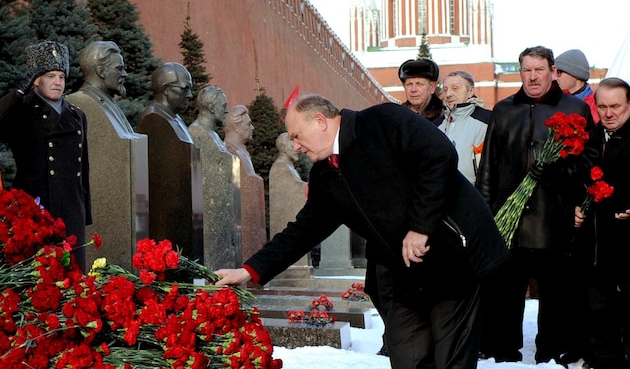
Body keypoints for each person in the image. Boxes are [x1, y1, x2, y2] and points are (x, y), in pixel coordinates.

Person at [215, 94, 508, 369]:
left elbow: (439, 155)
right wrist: (249, 271)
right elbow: (303, 230)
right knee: (409, 357)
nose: (295, 146)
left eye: (295, 135)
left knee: (450, 360)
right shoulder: (325, 174)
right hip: (403, 273)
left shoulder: (382, 120)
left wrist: (420, 227)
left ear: (320, 121)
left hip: (453, 258)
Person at [476, 45, 596, 364]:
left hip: (554, 218)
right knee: (505, 292)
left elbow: (589, 162)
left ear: (552, 71)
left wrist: (558, 171)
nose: (532, 77)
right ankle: (503, 350)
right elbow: (489, 167)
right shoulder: (503, 110)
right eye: (526, 70)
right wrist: (486, 216)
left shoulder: (575, 109)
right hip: (509, 220)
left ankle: (550, 351)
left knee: (556, 294)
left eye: (539, 70)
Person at [0, 40, 92, 269]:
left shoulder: (77, 115)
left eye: (61, 77)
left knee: (73, 278)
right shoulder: (22, 111)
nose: (58, 82)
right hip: (35, 208)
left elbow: (83, 171)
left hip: (71, 211)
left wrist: (84, 213)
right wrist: (17, 92)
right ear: (36, 80)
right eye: (50, 75)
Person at [572, 78, 630, 369]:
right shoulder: (590, 140)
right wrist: (575, 205)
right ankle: (604, 361)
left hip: (627, 242)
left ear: (629, 104)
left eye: (616, 107)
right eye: (603, 107)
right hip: (595, 242)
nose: (609, 113)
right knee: (597, 306)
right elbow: (574, 181)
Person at [437, 70, 491, 184]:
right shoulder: (435, 126)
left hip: (475, 195)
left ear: (470, 91)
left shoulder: (488, 120)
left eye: (455, 88)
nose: (448, 94)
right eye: (445, 89)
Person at [73, 40, 133, 134]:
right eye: (119, 69)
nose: (125, 74)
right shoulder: (83, 101)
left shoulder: (106, 100)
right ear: (101, 71)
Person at [138, 62, 194, 142]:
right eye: (185, 89)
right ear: (166, 90)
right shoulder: (154, 118)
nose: (190, 95)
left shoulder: (174, 117)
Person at [555, 49, 599, 122]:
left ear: (576, 74)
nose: (554, 77)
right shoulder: (553, 102)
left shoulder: (598, 104)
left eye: (559, 73)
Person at [399, 58, 444, 123]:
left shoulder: (444, 116)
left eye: (419, 84)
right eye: (409, 84)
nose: (413, 89)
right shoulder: (398, 115)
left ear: (432, 87)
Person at [223, 105, 257, 175]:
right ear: (236, 127)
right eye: (248, 124)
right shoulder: (230, 152)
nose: (252, 128)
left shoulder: (242, 152)